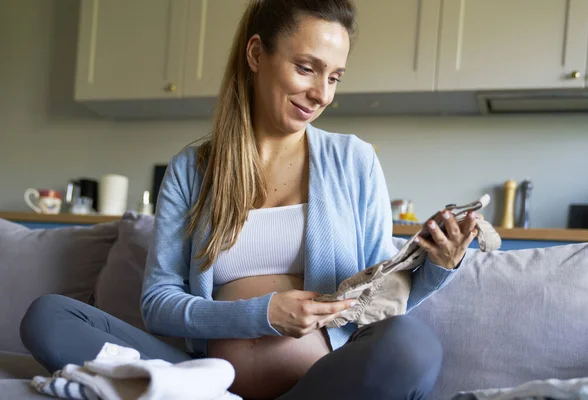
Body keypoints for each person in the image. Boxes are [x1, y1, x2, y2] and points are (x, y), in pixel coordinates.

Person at [20, 0, 481, 398]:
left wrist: (438, 264)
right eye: (306, 68)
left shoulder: (354, 160)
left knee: (411, 345)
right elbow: (159, 302)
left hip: (320, 384)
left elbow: (378, 298)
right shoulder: (192, 169)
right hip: (204, 381)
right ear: (257, 53)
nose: (321, 94)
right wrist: (262, 315)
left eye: (335, 77)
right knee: (49, 316)